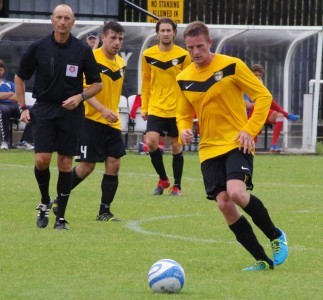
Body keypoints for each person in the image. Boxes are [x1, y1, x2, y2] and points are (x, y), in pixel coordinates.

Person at [176, 21, 288, 271]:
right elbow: (183, 112)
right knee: (224, 204)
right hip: (208, 148)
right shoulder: (183, 78)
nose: (195, 52)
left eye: (200, 46)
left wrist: (249, 130)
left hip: (237, 142)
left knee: (236, 193)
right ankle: (262, 260)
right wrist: (184, 128)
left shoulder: (231, 65)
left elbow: (263, 97)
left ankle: (276, 236)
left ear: (210, 43)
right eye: (190, 48)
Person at [14, 4, 102, 230]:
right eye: (59, 17)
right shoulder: (39, 47)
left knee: (65, 163)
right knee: (42, 160)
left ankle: (60, 216)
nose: (63, 22)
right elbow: (20, 77)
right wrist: (23, 106)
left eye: (67, 18)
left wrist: (80, 97)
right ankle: (44, 201)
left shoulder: (82, 50)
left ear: (73, 22)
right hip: (43, 109)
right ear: (52, 20)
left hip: (70, 112)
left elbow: (97, 84)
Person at [52, 21, 126, 222]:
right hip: (91, 120)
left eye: (120, 38)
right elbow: (83, 92)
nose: (117, 42)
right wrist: (102, 110)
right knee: (87, 167)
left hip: (112, 122)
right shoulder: (91, 58)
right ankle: (59, 199)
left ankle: (104, 211)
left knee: (114, 164)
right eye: (113, 38)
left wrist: (111, 112)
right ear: (103, 38)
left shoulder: (121, 63)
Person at [141, 17, 191, 196]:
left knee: (176, 147)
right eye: (162, 30)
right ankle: (163, 179)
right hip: (156, 107)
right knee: (151, 142)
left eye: (169, 30)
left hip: (177, 108)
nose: (165, 33)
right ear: (157, 33)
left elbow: (188, 83)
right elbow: (146, 83)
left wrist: (189, 108)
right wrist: (144, 106)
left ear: (174, 33)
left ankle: (176, 186)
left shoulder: (184, 55)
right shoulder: (148, 55)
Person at [245, 64, 300, 153]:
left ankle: (274, 144)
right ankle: (287, 115)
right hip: (247, 115)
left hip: (260, 111)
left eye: (260, 76)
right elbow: (247, 105)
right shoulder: (245, 85)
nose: (258, 78)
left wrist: (261, 100)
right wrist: (260, 103)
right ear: (250, 75)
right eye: (256, 75)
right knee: (266, 100)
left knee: (279, 115)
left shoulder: (260, 87)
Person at [0, 59, 34, 150]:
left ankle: (24, 141)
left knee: (33, 110)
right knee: (3, 110)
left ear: (4, 70)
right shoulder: (10, 89)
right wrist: (10, 94)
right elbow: (13, 95)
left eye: (1, 69)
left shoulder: (10, 84)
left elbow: (17, 97)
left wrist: (4, 95)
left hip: (13, 106)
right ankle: (5, 141)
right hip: (2, 107)